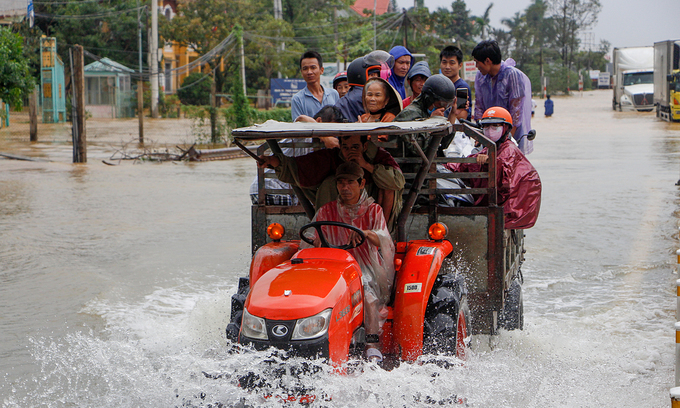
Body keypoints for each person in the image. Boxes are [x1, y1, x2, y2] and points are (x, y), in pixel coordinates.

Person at [306, 161, 395, 362]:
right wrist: (314, 242)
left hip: (363, 266)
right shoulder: (326, 211)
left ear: (362, 183)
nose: (345, 188)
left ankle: (372, 343)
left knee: (368, 293)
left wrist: (366, 233)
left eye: (350, 183)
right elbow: (311, 237)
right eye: (341, 183)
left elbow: (383, 238)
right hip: (332, 266)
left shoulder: (373, 210)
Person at [258, 133, 405, 231]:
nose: (350, 152)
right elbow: (301, 167)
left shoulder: (375, 210)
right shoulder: (332, 159)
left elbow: (397, 182)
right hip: (335, 227)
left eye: (355, 147)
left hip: (371, 231)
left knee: (389, 186)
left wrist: (365, 164)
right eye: (346, 148)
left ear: (365, 147)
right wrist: (272, 161)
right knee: (328, 183)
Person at [444, 107, 541, 229]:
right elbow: (464, 165)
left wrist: (488, 162)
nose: (490, 131)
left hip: (509, 210)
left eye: (495, 126)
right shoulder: (489, 148)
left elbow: (503, 175)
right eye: (486, 127)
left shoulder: (509, 150)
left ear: (505, 128)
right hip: (498, 205)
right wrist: (444, 166)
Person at [472, 40, 533, 155]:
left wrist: (507, 141)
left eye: (477, 62)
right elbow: (479, 107)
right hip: (488, 131)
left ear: (487, 61)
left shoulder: (512, 75)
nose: (476, 66)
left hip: (510, 133)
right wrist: (479, 136)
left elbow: (516, 113)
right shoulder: (480, 76)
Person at [291, 50, 339, 121]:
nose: (309, 72)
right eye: (305, 69)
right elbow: (298, 127)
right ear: (301, 72)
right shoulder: (297, 99)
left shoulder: (334, 94)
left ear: (321, 70)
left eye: (313, 67)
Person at [439, 45, 471, 121]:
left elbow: (462, 116)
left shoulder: (462, 88)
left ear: (460, 65)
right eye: (444, 62)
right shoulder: (439, 85)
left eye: (452, 63)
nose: (447, 67)